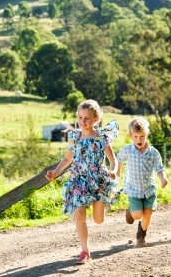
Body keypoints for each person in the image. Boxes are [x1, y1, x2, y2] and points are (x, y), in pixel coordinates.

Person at [45, 99, 120, 264]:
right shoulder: (74, 137)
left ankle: (99, 210)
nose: (82, 121)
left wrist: (113, 171)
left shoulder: (101, 137)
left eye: (87, 118)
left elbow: (113, 160)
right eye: (80, 117)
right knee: (79, 214)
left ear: (96, 119)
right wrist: (55, 173)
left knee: (98, 220)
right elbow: (67, 159)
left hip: (98, 180)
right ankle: (85, 251)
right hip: (78, 180)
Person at [116, 116, 168, 247]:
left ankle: (141, 236)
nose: (139, 140)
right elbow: (119, 159)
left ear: (147, 135)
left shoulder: (153, 153)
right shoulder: (127, 150)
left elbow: (159, 168)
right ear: (131, 135)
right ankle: (131, 211)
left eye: (142, 136)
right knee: (138, 215)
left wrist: (162, 178)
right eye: (136, 137)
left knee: (147, 215)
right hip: (133, 189)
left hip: (149, 190)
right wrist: (117, 173)